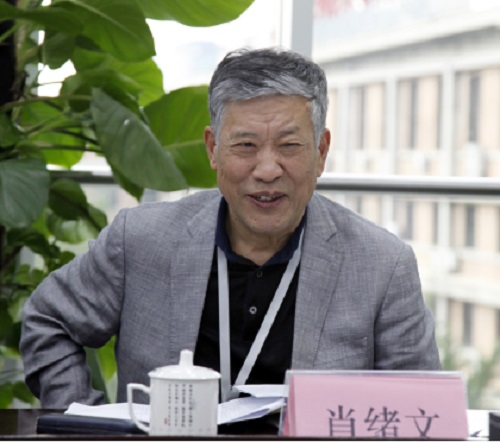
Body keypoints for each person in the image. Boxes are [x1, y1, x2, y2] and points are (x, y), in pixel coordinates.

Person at [20, 47, 441, 408]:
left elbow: (420, 407)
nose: (267, 169)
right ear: (213, 150)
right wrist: (87, 424)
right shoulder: (141, 240)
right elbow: (48, 319)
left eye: (289, 145)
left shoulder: (382, 266)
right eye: (245, 146)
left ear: (321, 151)